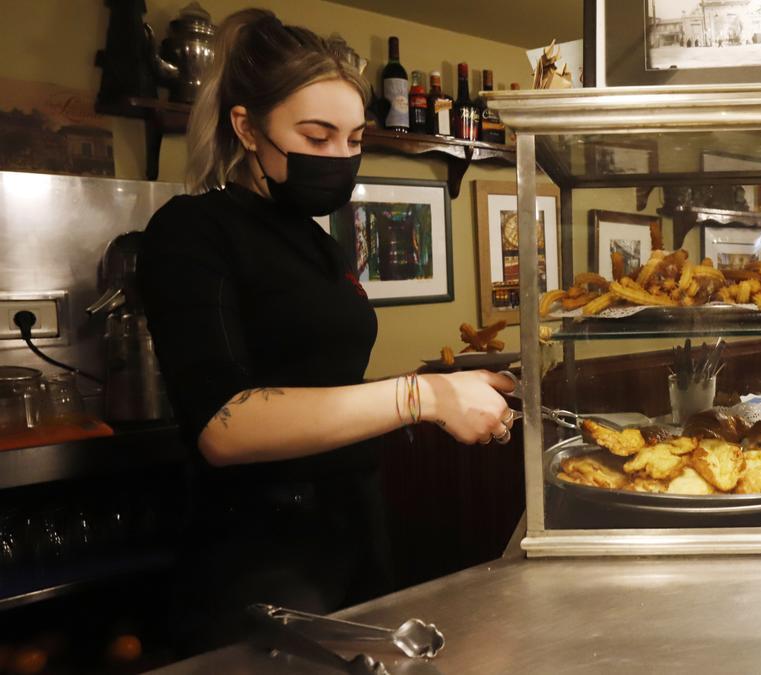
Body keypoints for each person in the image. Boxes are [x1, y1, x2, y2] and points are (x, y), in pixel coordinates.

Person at [136, 9, 515, 654]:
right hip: (258, 555)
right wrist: (416, 400)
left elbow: (318, 380)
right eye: (316, 138)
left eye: (353, 139)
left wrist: (450, 384)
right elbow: (223, 427)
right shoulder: (193, 231)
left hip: (354, 528)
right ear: (246, 128)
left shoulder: (319, 244)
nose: (340, 158)